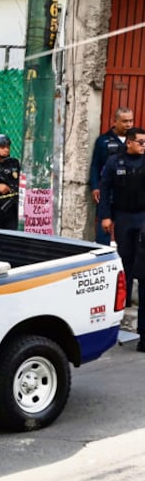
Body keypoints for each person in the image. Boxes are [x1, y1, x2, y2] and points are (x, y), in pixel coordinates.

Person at [97, 126, 145, 352]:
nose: (144, 146)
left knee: (142, 267)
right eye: (141, 142)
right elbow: (105, 189)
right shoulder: (116, 162)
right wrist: (105, 216)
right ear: (130, 143)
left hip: (143, 217)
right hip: (124, 217)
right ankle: (120, 306)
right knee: (123, 263)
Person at [90, 107, 134, 245]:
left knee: (129, 231)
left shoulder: (136, 141)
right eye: (125, 121)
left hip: (129, 193)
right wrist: (95, 187)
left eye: (131, 121)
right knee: (104, 229)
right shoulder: (103, 141)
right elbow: (95, 165)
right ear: (115, 121)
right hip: (108, 192)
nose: (128, 125)